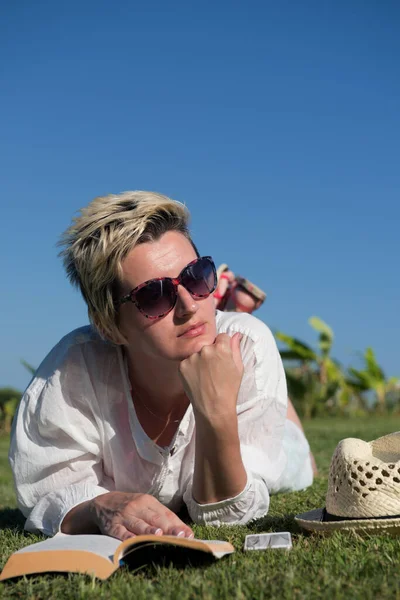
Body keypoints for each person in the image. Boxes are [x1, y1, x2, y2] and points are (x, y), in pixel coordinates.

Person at [9, 191, 313, 541]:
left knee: (299, 466)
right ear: (109, 326)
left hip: (257, 416)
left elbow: (226, 515)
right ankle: (223, 299)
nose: (188, 305)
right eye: (155, 295)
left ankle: (238, 324)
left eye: (197, 277)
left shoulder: (247, 346)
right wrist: (101, 505)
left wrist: (216, 410)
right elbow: (46, 494)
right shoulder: (71, 373)